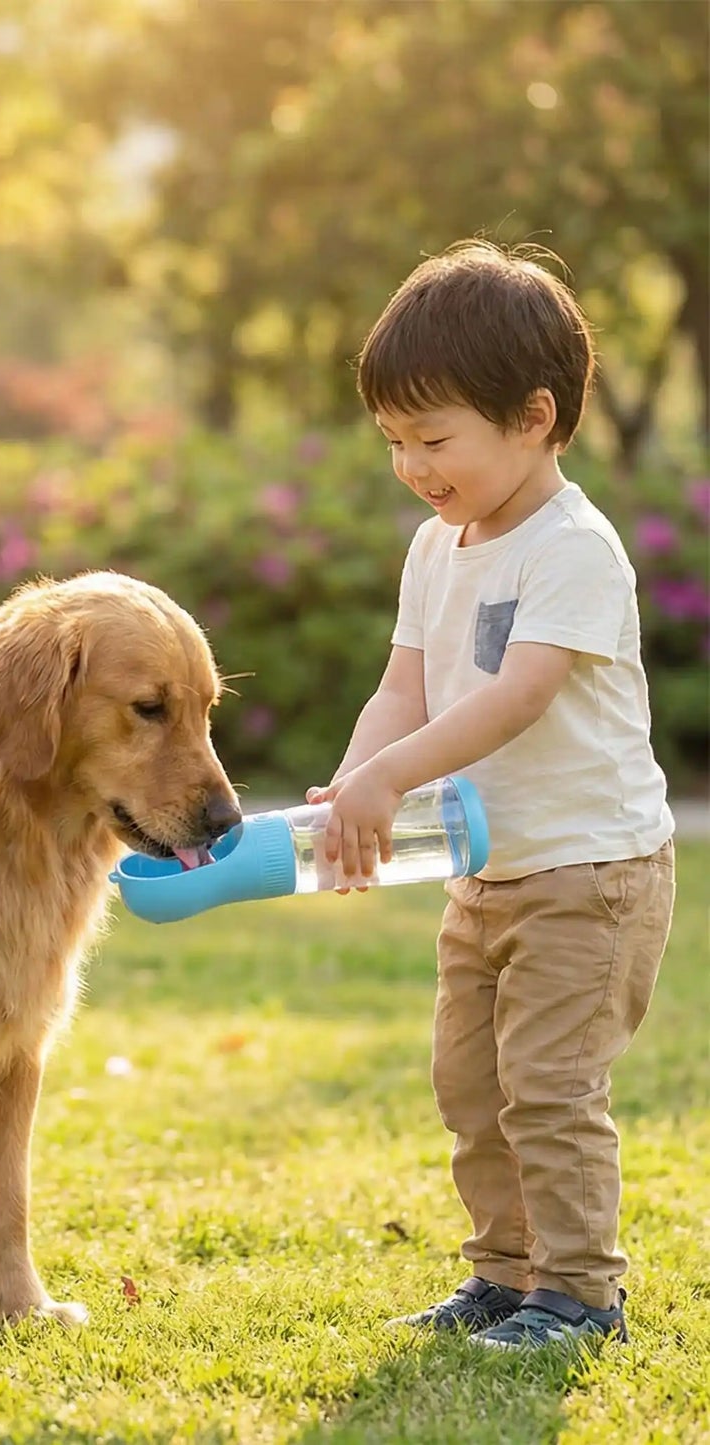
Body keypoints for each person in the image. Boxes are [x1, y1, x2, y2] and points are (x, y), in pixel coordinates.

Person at [309, 241, 676, 1351]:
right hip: (486, 869)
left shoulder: (572, 548)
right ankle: (504, 1272)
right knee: (470, 1084)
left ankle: (578, 1291)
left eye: (432, 438)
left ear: (531, 416)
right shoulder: (438, 543)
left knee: (547, 1090)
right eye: (392, 442)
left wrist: (393, 772)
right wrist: (356, 776)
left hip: (588, 873)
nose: (412, 466)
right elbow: (402, 686)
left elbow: (517, 697)